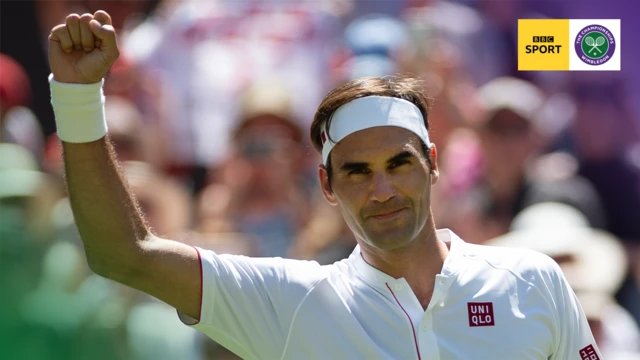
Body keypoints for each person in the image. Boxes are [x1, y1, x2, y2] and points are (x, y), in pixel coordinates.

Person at [48, 11, 602, 359]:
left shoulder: (532, 279)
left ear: (433, 163)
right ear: (327, 185)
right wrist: (77, 99)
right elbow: (124, 253)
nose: (381, 189)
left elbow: (594, 41)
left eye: (399, 163)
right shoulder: (292, 302)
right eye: (357, 172)